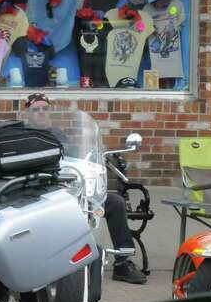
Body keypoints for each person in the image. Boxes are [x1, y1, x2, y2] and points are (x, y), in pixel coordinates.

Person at [23, 93, 147, 285]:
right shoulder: (22, 135)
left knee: (115, 202)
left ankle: (123, 261)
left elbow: (77, 158)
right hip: (45, 193)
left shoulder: (58, 134)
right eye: (35, 110)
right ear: (28, 113)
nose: (41, 113)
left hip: (73, 189)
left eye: (44, 109)